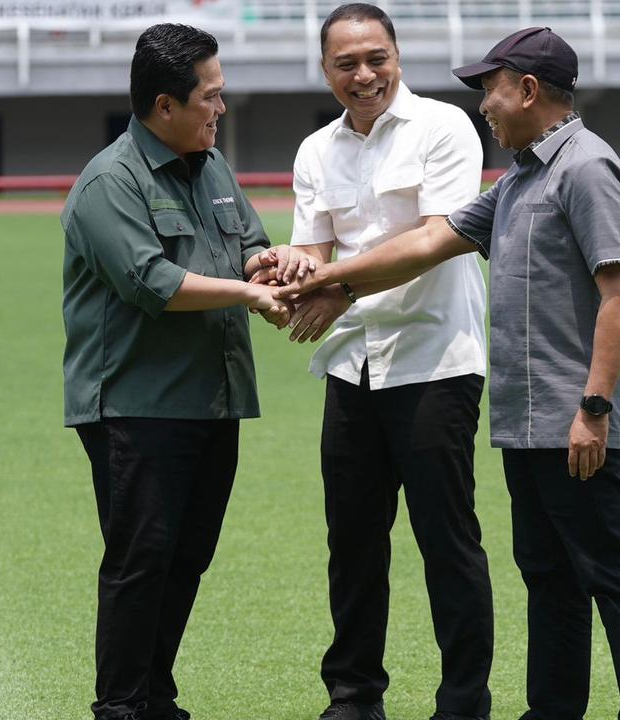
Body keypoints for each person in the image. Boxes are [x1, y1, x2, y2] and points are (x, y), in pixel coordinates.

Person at [275, 26, 620, 720]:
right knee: (549, 575)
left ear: (526, 89)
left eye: (488, 89)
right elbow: (427, 247)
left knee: (612, 570)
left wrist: (595, 408)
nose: (483, 105)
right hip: (524, 419)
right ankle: (552, 712)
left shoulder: (586, 168)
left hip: (572, 414)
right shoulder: (521, 177)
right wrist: (331, 279)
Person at [258, 5, 494, 720]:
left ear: (397, 55)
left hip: (435, 359)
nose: (363, 75)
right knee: (352, 541)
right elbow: (317, 250)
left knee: (445, 539)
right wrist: (284, 271)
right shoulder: (315, 151)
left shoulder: (445, 127)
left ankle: (462, 702)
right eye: (346, 63)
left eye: (376, 58)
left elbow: (436, 241)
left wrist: (335, 285)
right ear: (325, 69)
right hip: (351, 364)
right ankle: (354, 697)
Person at [60, 24, 289, 720]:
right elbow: (150, 281)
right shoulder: (110, 181)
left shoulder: (212, 165)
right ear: (166, 105)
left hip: (212, 401)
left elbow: (248, 244)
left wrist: (272, 267)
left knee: (186, 558)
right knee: (140, 562)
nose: (221, 110)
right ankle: (122, 706)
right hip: (135, 405)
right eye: (210, 98)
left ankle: (155, 697)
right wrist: (251, 294)